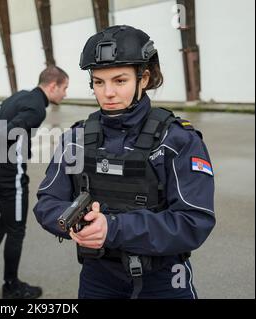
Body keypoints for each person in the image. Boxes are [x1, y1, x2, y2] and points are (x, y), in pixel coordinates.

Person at [33, 25, 216, 299]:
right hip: (98, 278)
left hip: (164, 279)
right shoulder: (76, 138)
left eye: (119, 81)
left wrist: (113, 228)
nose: (107, 93)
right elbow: (48, 201)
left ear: (143, 79)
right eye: (98, 82)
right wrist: (72, 223)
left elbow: (194, 221)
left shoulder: (177, 140)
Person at [0, 66, 69, 299]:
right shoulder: (37, 108)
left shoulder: (20, 95)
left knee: (6, 221)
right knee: (16, 229)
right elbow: (11, 131)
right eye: (64, 88)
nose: (65, 94)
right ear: (52, 86)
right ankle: (11, 286)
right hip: (10, 176)